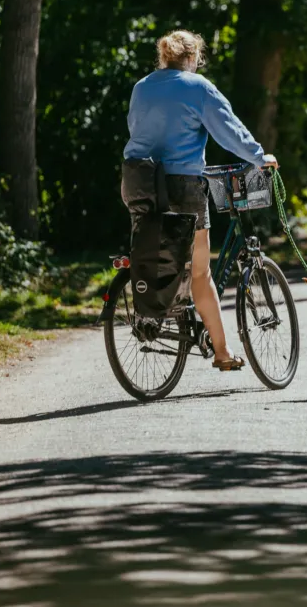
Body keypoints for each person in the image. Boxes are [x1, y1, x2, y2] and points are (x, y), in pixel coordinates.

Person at [121, 29, 278, 371]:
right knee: (200, 271)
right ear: (192, 58)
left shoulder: (141, 87)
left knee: (153, 247)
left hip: (138, 179)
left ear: (164, 58)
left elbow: (137, 128)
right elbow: (228, 128)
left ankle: (153, 313)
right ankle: (222, 353)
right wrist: (257, 156)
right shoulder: (198, 87)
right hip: (182, 183)